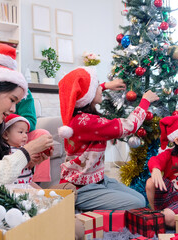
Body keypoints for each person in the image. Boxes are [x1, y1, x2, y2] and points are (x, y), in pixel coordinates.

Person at [58, 67, 159, 211]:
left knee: (140, 199)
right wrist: (145, 102)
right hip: (81, 188)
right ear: (88, 95)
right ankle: (81, 207)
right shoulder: (86, 122)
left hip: (98, 179)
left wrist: (106, 86)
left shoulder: (79, 116)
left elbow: (87, 92)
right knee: (138, 203)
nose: (100, 89)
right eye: (97, 86)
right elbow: (129, 126)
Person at [3, 113, 48, 184]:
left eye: (26, 132)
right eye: (21, 132)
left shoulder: (24, 148)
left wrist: (34, 162)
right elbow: (12, 165)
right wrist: (28, 160)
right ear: (6, 135)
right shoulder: (6, 150)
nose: (25, 136)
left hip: (28, 183)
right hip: (14, 187)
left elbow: (28, 168)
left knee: (41, 192)